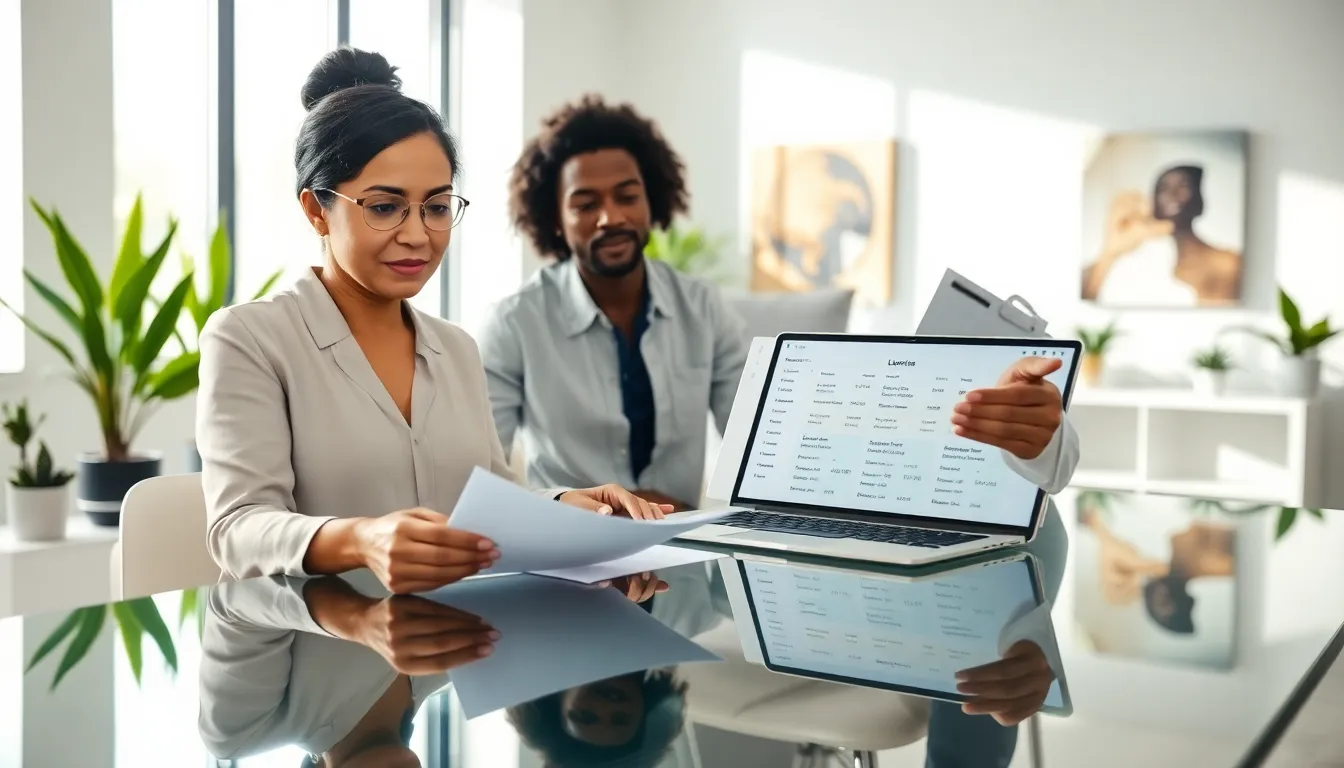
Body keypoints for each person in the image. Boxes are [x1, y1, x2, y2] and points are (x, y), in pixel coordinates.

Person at [196, 50, 668, 594]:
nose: (418, 235)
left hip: (449, 650)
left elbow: (484, 501)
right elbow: (238, 528)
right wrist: (361, 540)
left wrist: (567, 505)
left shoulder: (456, 348)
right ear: (316, 209)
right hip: (311, 648)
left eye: (437, 206)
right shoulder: (251, 339)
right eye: (383, 207)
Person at [477, 95, 749, 513]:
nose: (611, 218)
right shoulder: (514, 323)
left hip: (681, 547)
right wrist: (576, 506)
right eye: (586, 205)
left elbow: (755, 450)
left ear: (651, 200)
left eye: (627, 196)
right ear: (554, 219)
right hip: (567, 548)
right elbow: (485, 481)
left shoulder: (704, 309)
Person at [1081, 164, 1242, 306]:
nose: (1172, 194)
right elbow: (1086, 299)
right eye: (1163, 188)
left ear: (1199, 198)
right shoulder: (1138, 264)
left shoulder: (1228, 262)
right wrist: (1111, 251)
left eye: (1183, 186)